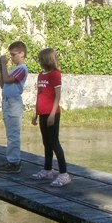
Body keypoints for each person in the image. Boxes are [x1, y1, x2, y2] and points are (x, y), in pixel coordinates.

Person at [31, 47, 71, 187]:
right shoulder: (41, 75)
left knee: (55, 143)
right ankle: (47, 169)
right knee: (46, 143)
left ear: (47, 60)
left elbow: (57, 96)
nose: (39, 62)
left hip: (52, 114)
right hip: (42, 113)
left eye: (41, 59)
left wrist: (53, 114)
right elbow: (39, 94)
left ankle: (64, 173)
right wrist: (35, 112)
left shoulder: (55, 75)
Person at [0, 41, 28, 174]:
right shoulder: (13, 69)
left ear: (22, 54)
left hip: (14, 103)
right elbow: (2, 83)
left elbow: (8, 80)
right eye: (11, 55)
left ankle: (14, 162)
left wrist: (4, 64)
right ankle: (12, 160)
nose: (12, 57)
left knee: (13, 134)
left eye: (14, 54)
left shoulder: (22, 68)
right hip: (7, 102)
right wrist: (1, 69)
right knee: (10, 133)